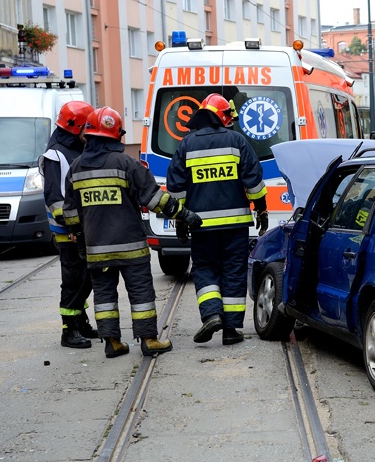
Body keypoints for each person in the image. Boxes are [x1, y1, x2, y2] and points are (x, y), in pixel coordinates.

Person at [63, 107, 201, 358]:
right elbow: (155, 199)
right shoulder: (126, 164)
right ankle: (148, 339)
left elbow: (70, 213)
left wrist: (80, 238)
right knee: (140, 293)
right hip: (130, 246)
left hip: (96, 249)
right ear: (116, 135)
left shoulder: (76, 168)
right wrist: (185, 215)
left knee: (104, 295)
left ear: (90, 135)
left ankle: (112, 342)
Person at [166, 94, 267, 346]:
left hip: (200, 225)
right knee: (234, 271)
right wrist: (262, 210)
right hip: (235, 226)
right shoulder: (237, 141)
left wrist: (180, 220)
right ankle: (231, 330)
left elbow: (176, 188)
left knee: (204, 268)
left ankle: (212, 315)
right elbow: (253, 181)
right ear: (223, 118)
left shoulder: (186, 145)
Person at [39, 100, 97, 349]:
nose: (90, 132)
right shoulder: (55, 155)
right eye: (88, 127)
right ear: (75, 127)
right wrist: (72, 227)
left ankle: (80, 321)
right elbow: (55, 200)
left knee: (86, 278)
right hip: (68, 232)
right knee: (74, 279)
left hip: (81, 228)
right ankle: (69, 330)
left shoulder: (75, 148)